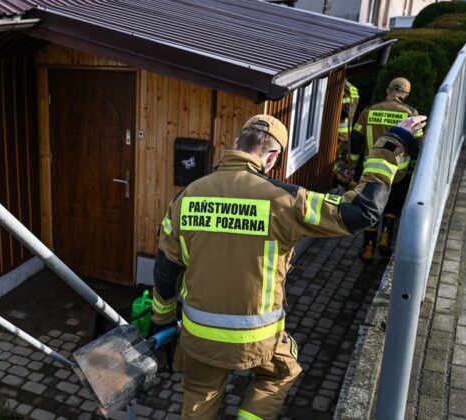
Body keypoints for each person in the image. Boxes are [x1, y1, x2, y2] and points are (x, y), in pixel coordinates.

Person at [151, 113, 427, 419]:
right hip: (257, 339)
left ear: (234, 145)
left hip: (198, 338)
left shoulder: (184, 198)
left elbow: (166, 270)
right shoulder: (285, 200)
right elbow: (361, 210)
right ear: (272, 157)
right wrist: (390, 145)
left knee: (199, 399)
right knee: (281, 371)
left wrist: (162, 321)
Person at [349, 77, 423, 262]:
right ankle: (385, 238)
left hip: (372, 170)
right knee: (392, 206)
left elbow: (356, 140)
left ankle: (368, 248)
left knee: (371, 208)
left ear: (388, 90)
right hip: (399, 172)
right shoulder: (411, 113)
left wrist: (352, 165)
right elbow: (418, 145)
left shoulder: (369, 110)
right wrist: (414, 168)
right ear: (405, 94)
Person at [333, 80, 360, 189]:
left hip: (338, 133)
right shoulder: (353, 88)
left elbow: (344, 112)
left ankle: (344, 183)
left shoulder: (341, 88)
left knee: (335, 163)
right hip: (346, 133)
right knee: (341, 162)